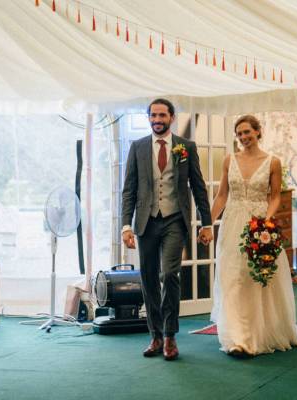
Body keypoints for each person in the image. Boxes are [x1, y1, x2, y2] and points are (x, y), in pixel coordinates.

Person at [121, 98, 213, 361]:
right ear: (148, 118)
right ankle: (156, 335)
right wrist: (126, 225)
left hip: (174, 219)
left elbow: (198, 186)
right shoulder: (137, 147)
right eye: (153, 115)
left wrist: (206, 223)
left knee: (170, 273)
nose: (157, 120)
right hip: (146, 222)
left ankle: (171, 335)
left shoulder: (186, 147)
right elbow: (129, 191)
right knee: (149, 278)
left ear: (171, 117)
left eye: (162, 115)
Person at [209, 114, 297, 357]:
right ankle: (237, 338)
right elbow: (222, 195)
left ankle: (259, 332)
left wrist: (266, 222)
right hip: (232, 224)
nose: (244, 137)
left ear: (258, 132)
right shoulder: (229, 160)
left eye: (247, 132)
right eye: (240, 134)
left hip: (259, 225)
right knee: (232, 278)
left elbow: (275, 196)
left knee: (257, 278)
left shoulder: (273, 162)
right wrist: (206, 223)